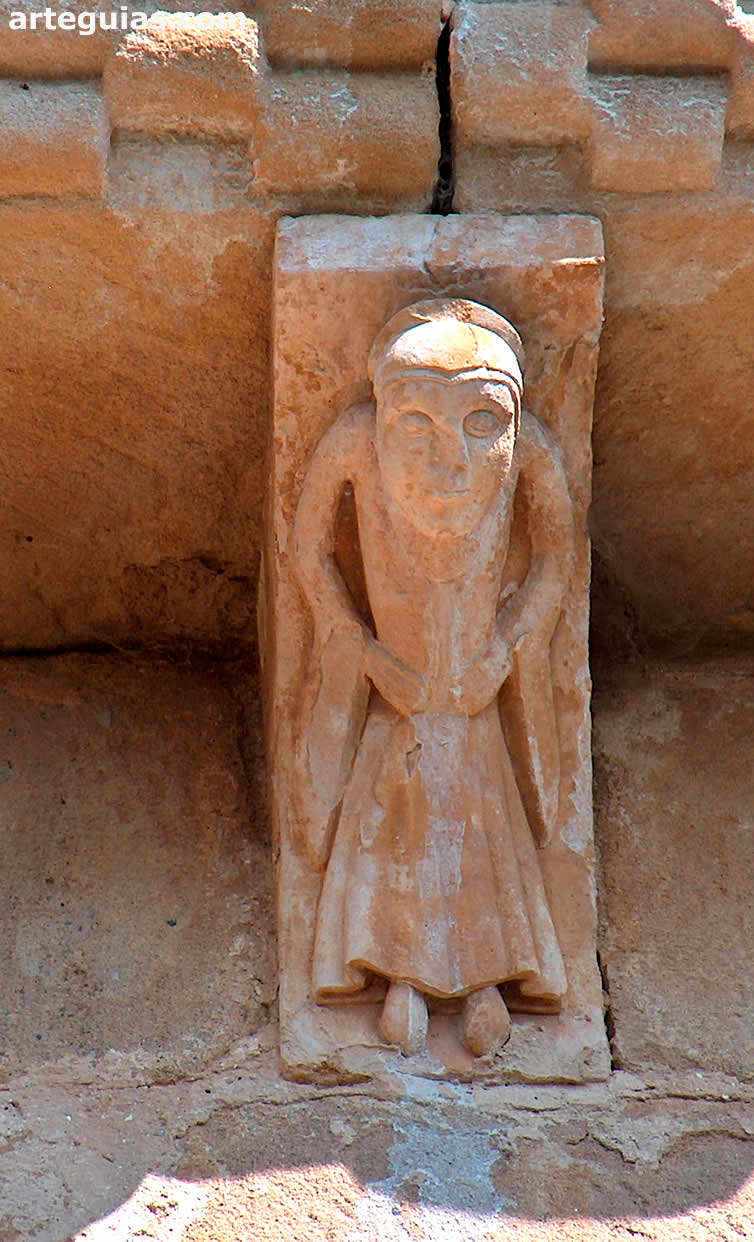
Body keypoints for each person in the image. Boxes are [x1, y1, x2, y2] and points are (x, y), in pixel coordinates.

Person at [291, 298, 574, 1057]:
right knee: (393, 812)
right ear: (383, 416)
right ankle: (398, 977)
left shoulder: (532, 449)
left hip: (475, 689)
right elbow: (308, 551)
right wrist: (361, 648)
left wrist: (505, 652)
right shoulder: (354, 441)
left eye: (482, 422)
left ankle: (488, 982)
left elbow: (555, 558)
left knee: (483, 820)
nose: (452, 457)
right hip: (399, 688)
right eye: (417, 423)